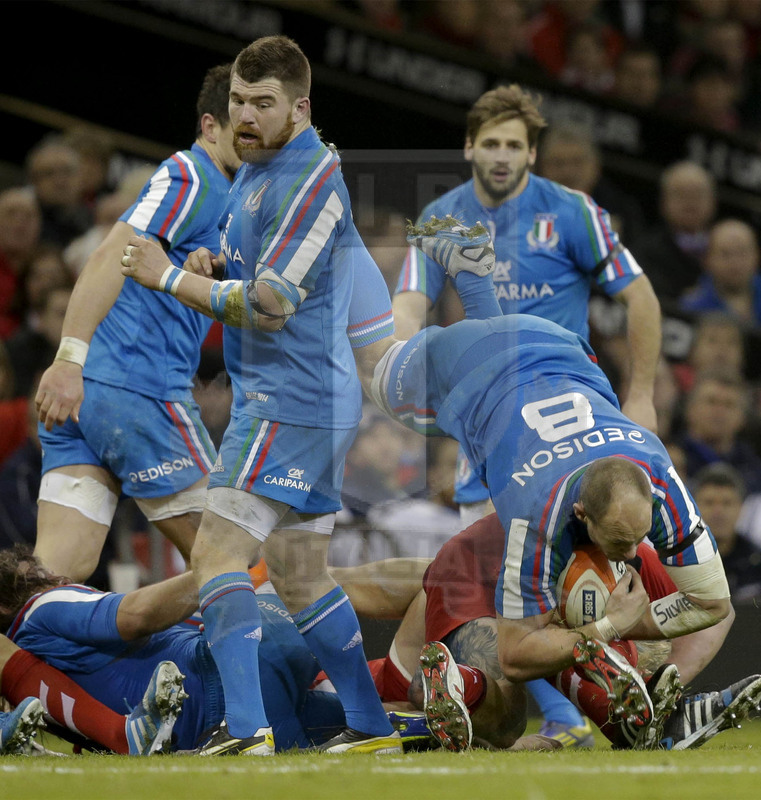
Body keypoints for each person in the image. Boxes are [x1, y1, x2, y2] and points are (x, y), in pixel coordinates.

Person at [345, 225, 755, 748]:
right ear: (582, 513)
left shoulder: (658, 474)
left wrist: (623, 626)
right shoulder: (536, 511)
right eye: (620, 542)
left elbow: (713, 605)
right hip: (472, 364)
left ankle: (651, 704)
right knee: (373, 362)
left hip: (553, 349)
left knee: (599, 623)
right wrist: (609, 631)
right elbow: (518, 655)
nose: (631, 554)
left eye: (638, 538)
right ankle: (342, 234)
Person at [121, 35, 400, 756]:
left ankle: (243, 729)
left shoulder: (310, 180)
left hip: (289, 400)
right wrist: (219, 262)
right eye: (239, 101)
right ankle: (368, 724)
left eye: (263, 103)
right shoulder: (260, 164)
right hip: (299, 399)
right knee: (300, 576)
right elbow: (261, 268)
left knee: (216, 557)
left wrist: (168, 276)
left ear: (299, 107)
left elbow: (273, 302)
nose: (245, 115)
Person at [392, 82, 661, 746]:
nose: (502, 155)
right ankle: (558, 710)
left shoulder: (571, 212)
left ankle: (592, 698)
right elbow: (408, 306)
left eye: (514, 144)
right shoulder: (441, 218)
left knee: (580, 573)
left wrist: (641, 395)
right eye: (490, 143)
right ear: (468, 147)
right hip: (485, 430)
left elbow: (641, 296)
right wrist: (400, 369)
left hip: (570, 431)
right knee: (494, 589)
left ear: (532, 153)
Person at [33, 64, 240, 585]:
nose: (259, 138)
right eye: (245, 123)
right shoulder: (193, 176)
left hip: (89, 402)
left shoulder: (231, 201)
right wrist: (67, 358)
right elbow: (110, 254)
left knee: (52, 580)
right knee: (231, 564)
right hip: (139, 396)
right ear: (211, 126)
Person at [692, 462, 761, 604]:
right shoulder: (676, 560)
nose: (718, 512)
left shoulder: (756, 562)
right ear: (693, 507)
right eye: (709, 503)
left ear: (741, 508)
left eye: (727, 503)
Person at [679, 218, 761, 327]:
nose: (735, 263)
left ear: (757, 255)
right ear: (707, 259)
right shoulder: (692, 307)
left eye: (743, 253)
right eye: (725, 254)